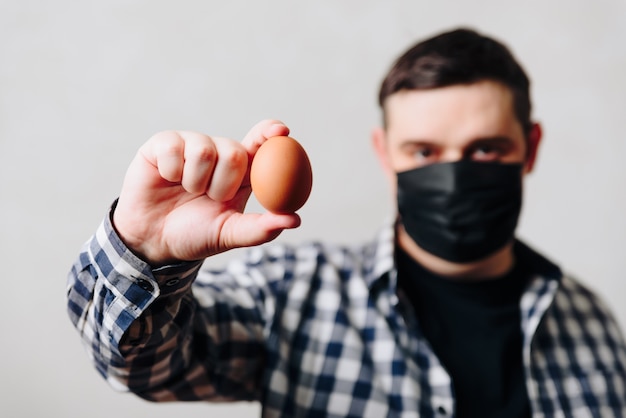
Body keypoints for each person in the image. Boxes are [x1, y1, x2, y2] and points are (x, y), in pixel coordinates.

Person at [66, 28, 626, 417]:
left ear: (529, 148)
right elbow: (139, 365)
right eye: (424, 152)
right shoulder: (292, 292)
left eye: (484, 151)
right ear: (385, 154)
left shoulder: (593, 327)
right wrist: (147, 250)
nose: (453, 176)